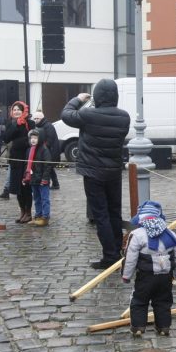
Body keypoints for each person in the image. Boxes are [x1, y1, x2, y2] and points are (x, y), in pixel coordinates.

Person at [61, 79, 130, 269]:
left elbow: (66, 115)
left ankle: (110, 256)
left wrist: (78, 99)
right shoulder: (124, 117)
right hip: (114, 172)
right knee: (114, 212)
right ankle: (117, 250)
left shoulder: (88, 114)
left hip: (93, 172)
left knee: (101, 215)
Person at [121, 200, 176, 338]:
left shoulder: (137, 234)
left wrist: (126, 276)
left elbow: (130, 257)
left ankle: (138, 327)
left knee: (139, 300)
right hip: (165, 276)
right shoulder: (170, 234)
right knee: (163, 301)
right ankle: (163, 327)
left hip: (146, 276)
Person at [1, 101, 35, 223]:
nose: (16, 112)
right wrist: (15, 124)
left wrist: (17, 143)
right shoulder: (11, 123)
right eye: (14, 110)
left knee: (26, 187)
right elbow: (6, 138)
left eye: (18, 110)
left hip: (26, 159)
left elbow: (32, 139)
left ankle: (28, 212)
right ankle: (22, 211)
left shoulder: (30, 123)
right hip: (15, 159)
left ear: (23, 110)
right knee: (17, 188)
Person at [24, 129, 52, 226]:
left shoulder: (44, 149)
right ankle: (38, 216)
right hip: (33, 178)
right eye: (31, 138)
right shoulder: (29, 150)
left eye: (35, 138)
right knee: (36, 198)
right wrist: (25, 177)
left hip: (42, 179)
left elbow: (48, 165)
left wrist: (45, 179)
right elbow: (27, 165)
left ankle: (45, 217)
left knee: (44, 199)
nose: (33, 140)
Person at [31, 110, 60, 191]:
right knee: (49, 167)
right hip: (47, 150)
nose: (35, 120)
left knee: (49, 167)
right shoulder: (41, 125)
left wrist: (42, 149)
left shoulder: (48, 126)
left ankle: (55, 183)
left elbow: (50, 140)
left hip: (50, 151)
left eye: (37, 118)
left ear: (42, 118)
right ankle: (55, 183)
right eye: (34, 118)